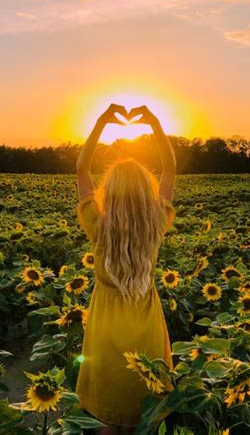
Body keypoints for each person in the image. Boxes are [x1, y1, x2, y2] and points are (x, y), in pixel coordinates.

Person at [75, 104, 177, 434]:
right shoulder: (155, 222)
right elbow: (170, 170)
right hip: (145, 323)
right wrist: (156, 125)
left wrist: (102, 121)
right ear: (146, 191)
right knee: (142, 412)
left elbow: (82, 170)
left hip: (106, 326)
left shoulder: (98, 225)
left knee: (108, 417)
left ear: (111, 191)